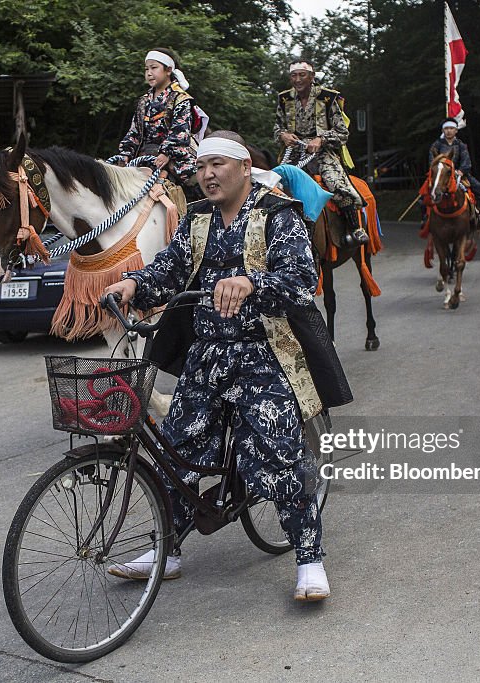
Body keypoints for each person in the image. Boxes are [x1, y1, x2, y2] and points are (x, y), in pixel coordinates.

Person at [103, 131, 348, 601]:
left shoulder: (277, 213)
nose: (208, 175)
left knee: (279, 456)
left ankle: (309, 559)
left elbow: (300, 281)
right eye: (200, 168)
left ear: (242, 167)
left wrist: (251, 282)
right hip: (208, 354)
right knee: (177, 451)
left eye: (217, 164)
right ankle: (167, 552)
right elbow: (169, 269)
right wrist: (134, 284)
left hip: (264, 353)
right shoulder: (196, 220)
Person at [274, 59, 369, 246]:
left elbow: (342, 132)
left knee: (335, 182)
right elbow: (277, 128)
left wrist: (321, 139)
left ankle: (355, 228)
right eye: (294, 75)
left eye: (302, 75)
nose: (298, 79)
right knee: (272, 185)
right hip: (294, 151)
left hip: (323, 152)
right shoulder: (284, 99)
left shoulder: (327, 98)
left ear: (312, 77)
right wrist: (283, 135)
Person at [117, 48, 202, 199]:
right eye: (146, 69)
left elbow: (180, 132)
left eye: (154, 67)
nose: (149, 73)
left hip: (175, 155)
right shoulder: (144, 101)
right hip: (145, 155)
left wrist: (166, 153)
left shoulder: (181, 99)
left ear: (168, 70)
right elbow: (134, 131)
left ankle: (202, 214)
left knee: (196, 181)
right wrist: (125, 153)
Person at [428, 117, 480, 229]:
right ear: (443, 130)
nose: (449, 131)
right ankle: (425, 218)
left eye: (451, 128)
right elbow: (432, 161)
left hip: (459, 174)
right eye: (446, 128)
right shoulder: (436, 145)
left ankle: (478, 214)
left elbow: (466, 161)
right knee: (424, 196)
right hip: (441, 174)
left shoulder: (461, 145)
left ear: (456, 130)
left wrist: (460, 171)